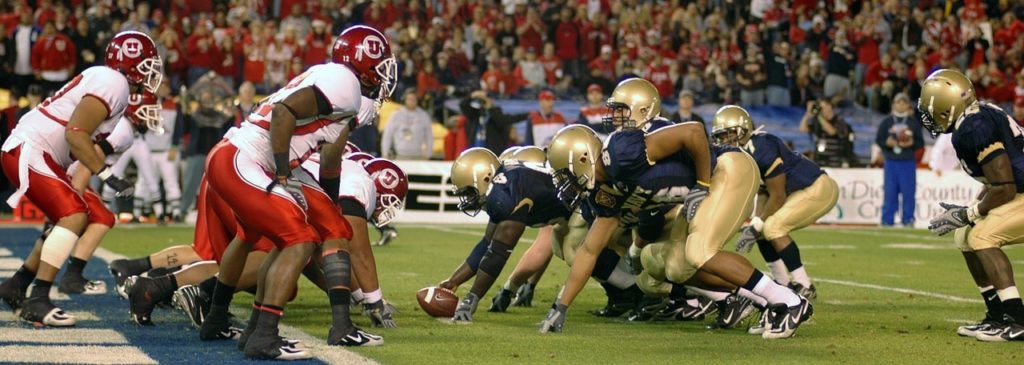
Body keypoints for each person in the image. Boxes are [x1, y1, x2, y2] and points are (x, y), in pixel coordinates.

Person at [540, 78, 812, 339]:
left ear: (584, 157)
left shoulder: (622, 153)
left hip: (727, 170)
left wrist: (702, 184)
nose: (565, 183)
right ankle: (765, 300)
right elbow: (589, 251)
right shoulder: (605, 193)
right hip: (705, 186)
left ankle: (789, 300)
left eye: (565, 173)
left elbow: (693, 131)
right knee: (677, 267)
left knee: (700, 252)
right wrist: (560, 307)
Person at [198, 26, 394, 360]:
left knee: (334, 227)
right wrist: (284, 172)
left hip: (257, 158)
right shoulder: (344, 84)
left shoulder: (341, 87)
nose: (385, 72)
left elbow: (331, 159)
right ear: (362, 60)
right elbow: (283, 112)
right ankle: (263, 334)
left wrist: (329, 202)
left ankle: (339, 326)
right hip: (247, 157)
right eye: (380, 62)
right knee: (299, 240)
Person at [0, 31, 161, 327]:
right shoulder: (115, 82)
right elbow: (75, 134)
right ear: (132, 62)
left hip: (39, 151)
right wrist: (109, 176)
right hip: (33, 148)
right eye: (148, 63)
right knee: (75, 215)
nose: (153, 71)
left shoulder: (110, 82)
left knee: (70, 217)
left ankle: (18, 285)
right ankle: (38, 299)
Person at [921, 69, 1024, 342]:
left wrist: (970, 212)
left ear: (945, 107)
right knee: (964, 235)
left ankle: (1017, 320)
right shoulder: (979, 114)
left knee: (981, 235)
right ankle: (997, 314)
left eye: (931, 109)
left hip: (1019, 192)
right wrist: (971, 212)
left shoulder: (972, 127)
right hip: (1018, 191)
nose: (928, 116)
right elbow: (999, 179)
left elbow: (1005, 186)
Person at [713, 105, 838, 304]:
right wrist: (755, 224)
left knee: (772, 227)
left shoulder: (761, 145)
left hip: (816, 187)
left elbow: (777, 195)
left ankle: (804, 285)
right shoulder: (744, 154)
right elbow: (765, 192)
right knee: (763, 229)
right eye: (721, 136)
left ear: (743, 129)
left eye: (729, 134)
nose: (725, 140)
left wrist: (756, 225)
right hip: (797, 191)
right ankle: (783, 284)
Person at [446, 148, 572, 323]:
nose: (468, 199)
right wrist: (454, 281)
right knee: (563, 245)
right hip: (566, 213)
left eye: (468, 192)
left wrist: (471, 299)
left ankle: (622, 293)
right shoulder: (502, 188)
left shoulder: (505, 193)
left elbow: (498, 254)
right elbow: (486, 244)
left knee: (574, 252)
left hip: (581, 210)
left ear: (485, 177)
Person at [177, 89, 235, 220]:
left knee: (220, 186)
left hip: (215, 155)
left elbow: (228, 129)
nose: (207, 101)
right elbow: (185, 128)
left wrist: (231, 115)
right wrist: (185, 112)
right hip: (197, 152)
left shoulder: (219, 115)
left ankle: (222, 215)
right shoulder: (194, 113)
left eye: (210, 98)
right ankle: (182, 211)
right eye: (205, 98)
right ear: (200, 100)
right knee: (190, 184)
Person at [875, 93, 924, 227]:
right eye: (898, 102)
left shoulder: (913, 122)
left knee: (908, 193)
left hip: (907, 161)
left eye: (904, 103)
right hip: (891, 161)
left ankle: (908, 219)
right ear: (893, 105)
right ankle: (887, 219)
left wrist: (911, 144)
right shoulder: (887, 122)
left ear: (908, 105)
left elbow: (920, 143)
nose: (901, 105)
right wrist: (887, 144)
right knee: (890, 192)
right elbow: (879, 140)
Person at [458, 90, 528, 155]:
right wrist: (472, 96)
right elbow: (463, 105)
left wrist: (490, 107)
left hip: (493, 151)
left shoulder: (496, 112)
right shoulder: (475, 113)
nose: (484, 100)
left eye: (487, 98)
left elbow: (501, 120)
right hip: (475, 149)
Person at [800, 99, 856, 167]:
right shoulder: (818, 122)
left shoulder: (839, 121)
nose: (821, 110)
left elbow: (832, 132)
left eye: (822, 107)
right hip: (820, 162)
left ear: (829, 106)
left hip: (835, 163)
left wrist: (818, 115)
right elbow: (803, 129)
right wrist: (807, 114)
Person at [381, 90, 433, 160]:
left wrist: (428, 154)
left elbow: (429, 136)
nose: (411, 101)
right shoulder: (396, 114)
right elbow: (388, 134)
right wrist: (385, 153)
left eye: (413, 99)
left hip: (418, 156)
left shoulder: (423, 115)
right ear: (405, 100)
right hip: (401, 155)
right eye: (409, 99)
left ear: (417, 100)